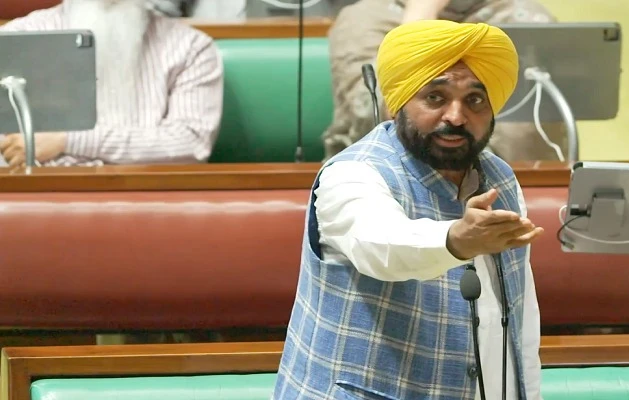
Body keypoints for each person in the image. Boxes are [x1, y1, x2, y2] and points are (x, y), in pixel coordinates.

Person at [274, 19, 544, 400]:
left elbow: (520, 320)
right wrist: (455, 240)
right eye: (435, 97)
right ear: (396, 103)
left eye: (475, 100)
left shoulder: (500, 179)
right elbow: (382, 245)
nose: (456, 116)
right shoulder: (353, 173)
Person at [323, 0, 567, 162]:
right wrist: (418, 20)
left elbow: (533, 138)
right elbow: (377, 116)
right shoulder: (362, 19)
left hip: (503, 181)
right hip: (378, 180)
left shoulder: (528, 17)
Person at [0, 0, 223, 171]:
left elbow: (191, 144)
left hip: (147, 197)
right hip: (42, 197)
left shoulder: (191, 48)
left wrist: (67, 141)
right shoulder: (17, 37)